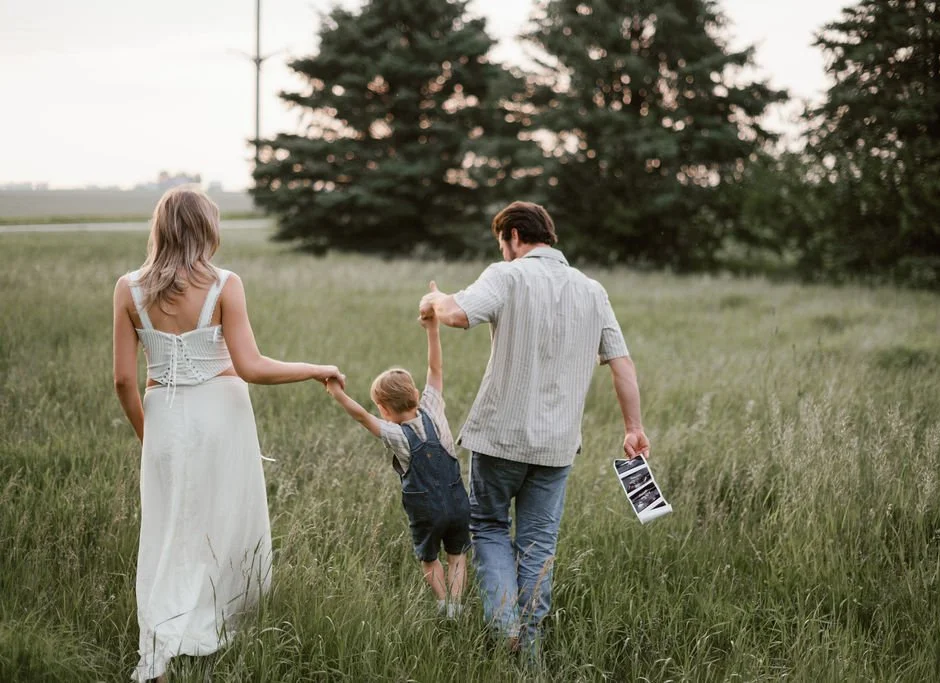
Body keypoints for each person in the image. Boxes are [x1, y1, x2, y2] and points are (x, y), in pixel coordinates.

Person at [112, 186, 344, 682]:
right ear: (206, 229)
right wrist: (314, 368)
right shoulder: (224, 284)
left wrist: (148, 436)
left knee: (169, 529)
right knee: (226, 522)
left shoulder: (128, 288)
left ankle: (162, 643)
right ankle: (219, 624)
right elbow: (251, 366)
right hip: (223, 417)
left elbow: (123, 381)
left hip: (163, 417)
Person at [418, 201, 650, 659]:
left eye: (501, 243)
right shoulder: (592, 290)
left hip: (500, 437)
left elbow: (457, 314)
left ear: (514, 237)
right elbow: (621, 364)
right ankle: (531, 651)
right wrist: (633, 428)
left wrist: (434, 299)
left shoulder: (507, 276)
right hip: (557, 446)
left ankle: (505, 624)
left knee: (488, 526)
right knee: (538, 546)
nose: (502, 251)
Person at [325, 305, 471, 617]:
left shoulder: (396, 435)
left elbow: (362, 417)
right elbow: (435, 369)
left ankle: (443, 604)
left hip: (427, 513)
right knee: (457, 556)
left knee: (429, 559)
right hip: (458, 503)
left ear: (384, 409)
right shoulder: (433, 409)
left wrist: (338, 395)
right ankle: (457, 607)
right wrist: (432, 329)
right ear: (415, 393)